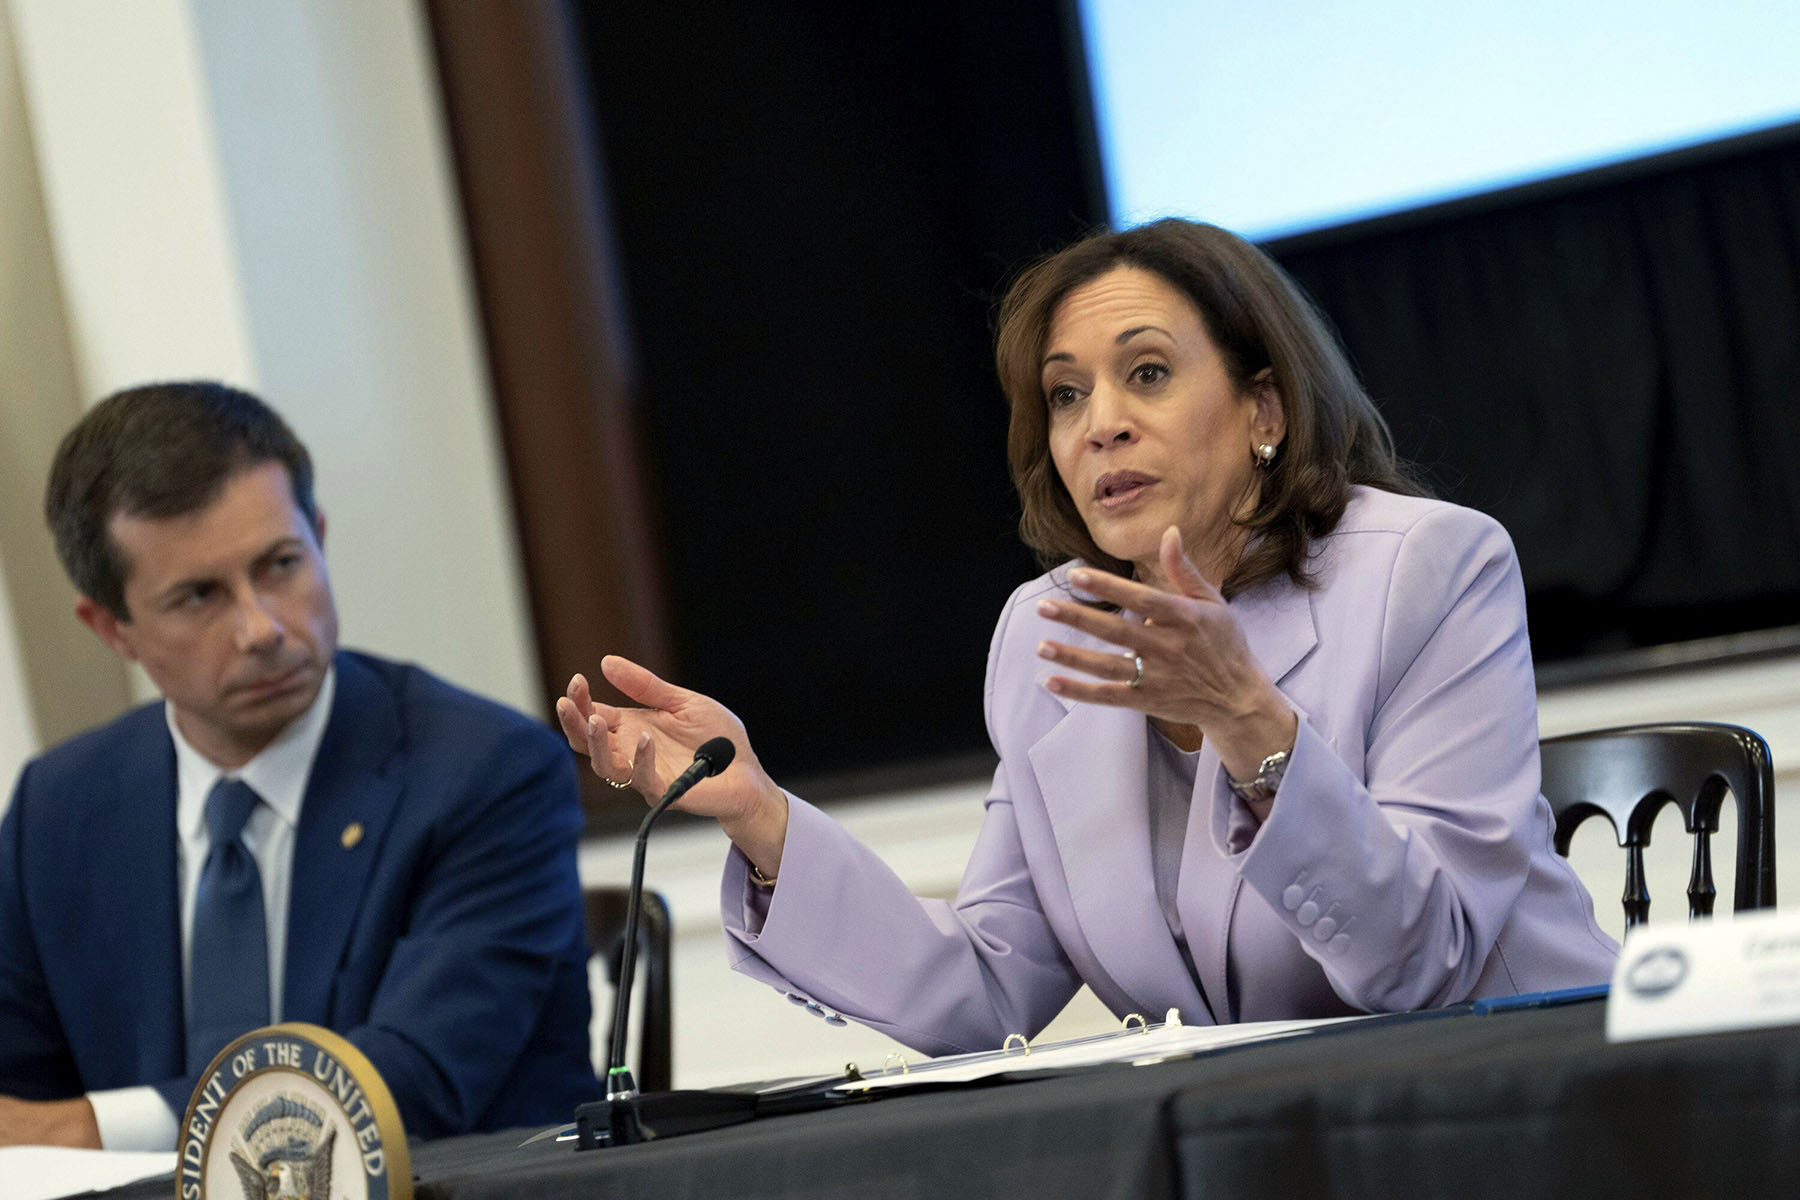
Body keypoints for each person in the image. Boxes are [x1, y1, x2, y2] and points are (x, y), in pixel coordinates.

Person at [557, 219, 1619, 1056]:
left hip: (1532, 1108)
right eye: (1066, 396)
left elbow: (1425, 963)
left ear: (1266, 410)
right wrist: (763, 817)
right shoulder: (1044, 635)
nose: (1099, 421)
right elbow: (984, 991)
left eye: (1147, 373)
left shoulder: (1428, 568)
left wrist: (1248, 720)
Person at [0, 382, 596, 1149]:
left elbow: (409, 1084)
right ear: (112, 628)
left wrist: (87, 1129)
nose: (261, 627)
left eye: (281, 563)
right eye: (199, 597)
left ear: (318, 535)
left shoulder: (487, 773)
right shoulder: (61, 809)